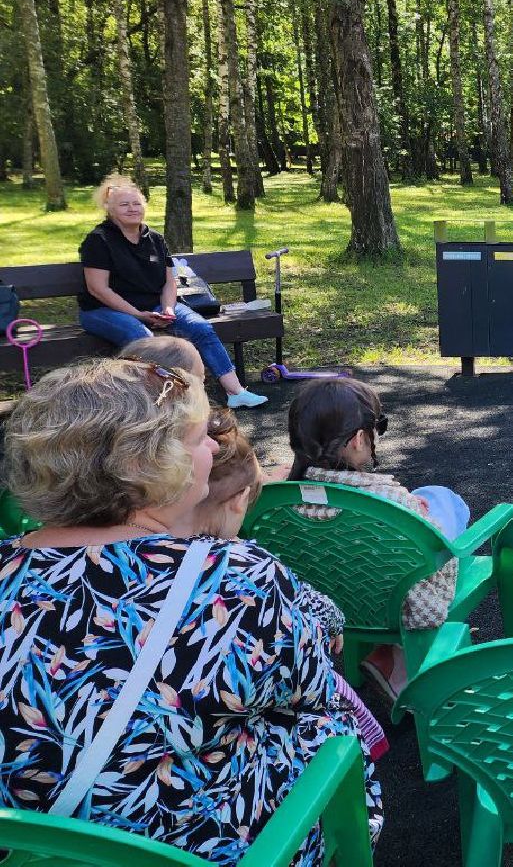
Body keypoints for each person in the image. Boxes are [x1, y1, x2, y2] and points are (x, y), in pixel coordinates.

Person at [0, 359, 381, 862]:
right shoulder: (234, 581)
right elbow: (310, 694)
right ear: (145, 464)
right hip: (190, 843)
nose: (214, 449)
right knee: (335, 730)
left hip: (30, 846)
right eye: (199, 438)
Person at [199, 408, 388, 761]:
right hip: (254, 758)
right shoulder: (252, 571)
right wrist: (332, 622)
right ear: (239, 501)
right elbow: (313, 618)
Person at [285, 378, 471, 699]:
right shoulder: (391, 500)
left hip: (330, 592)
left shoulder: (275, 497)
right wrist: (414, 509)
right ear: (359, 439)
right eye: (378, 427)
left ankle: (387, 655)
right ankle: (400, 657)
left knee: (428, 495)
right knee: (446, 500)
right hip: (398, 603)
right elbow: (434, 545)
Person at [77, 175, 267, 409]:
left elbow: (168, 281)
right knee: (142, 337)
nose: (132, 209)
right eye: (124, 204)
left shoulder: (155, 239)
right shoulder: (98, 240)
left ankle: (235, 391)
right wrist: (138, 314)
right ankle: (167, 402)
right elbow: (98, 289)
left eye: (136, 203)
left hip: (154, 306)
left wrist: (168, 309)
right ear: (110, 209)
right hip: (103, 310)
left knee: (201, 328)